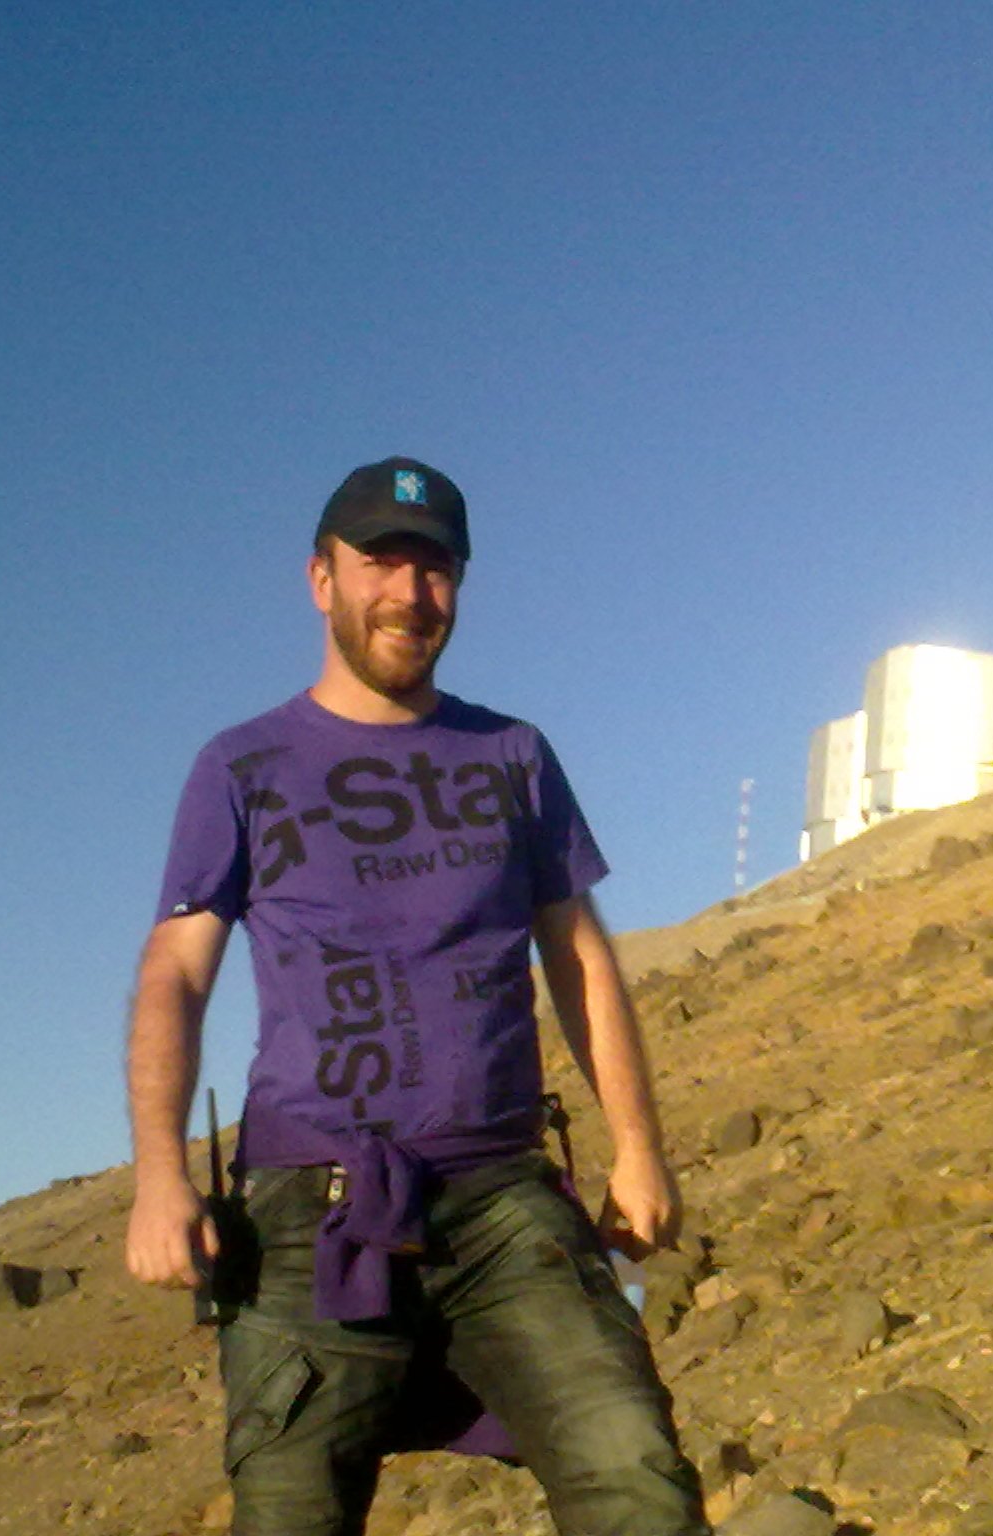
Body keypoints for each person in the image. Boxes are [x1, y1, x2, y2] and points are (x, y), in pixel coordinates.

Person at [123, 457, 706, 1536]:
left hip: (501, 1198)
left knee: (636, 1476)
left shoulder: (513, 755)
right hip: (309, 1211)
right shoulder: (241, 765)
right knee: (289, 1513)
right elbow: (175, 972)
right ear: (320, 580)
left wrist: (638, 1146)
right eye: (380, 563)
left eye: (434, 569)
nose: (408, 593)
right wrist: (161, 1173)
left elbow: (576, 955)